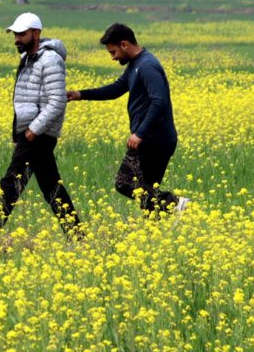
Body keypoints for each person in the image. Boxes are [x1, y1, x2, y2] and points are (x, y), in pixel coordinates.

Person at [67, 23, 189, 215]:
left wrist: (140, 133)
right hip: (155, 139)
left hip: (153, 140)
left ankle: (175, 203)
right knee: (146, 191)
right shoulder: (136, 64)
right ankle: (154, 235)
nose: (113, 57)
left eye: (113, 51)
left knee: (124, 183)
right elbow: (116, 89)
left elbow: (160, 101)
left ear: (124, 44)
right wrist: (81, 94)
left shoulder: (147, 65)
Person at [0, 12, 81, 238]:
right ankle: (77, 234)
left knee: (11, 182)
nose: (17, 39)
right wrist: (19, 129)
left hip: (39, 134)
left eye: (22, 34)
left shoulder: (50, 60)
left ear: (36, 34)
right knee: (51, 187)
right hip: (29, 132)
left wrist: (32, 130)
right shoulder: (27, 58)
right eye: (15, 34)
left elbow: (57, 101)